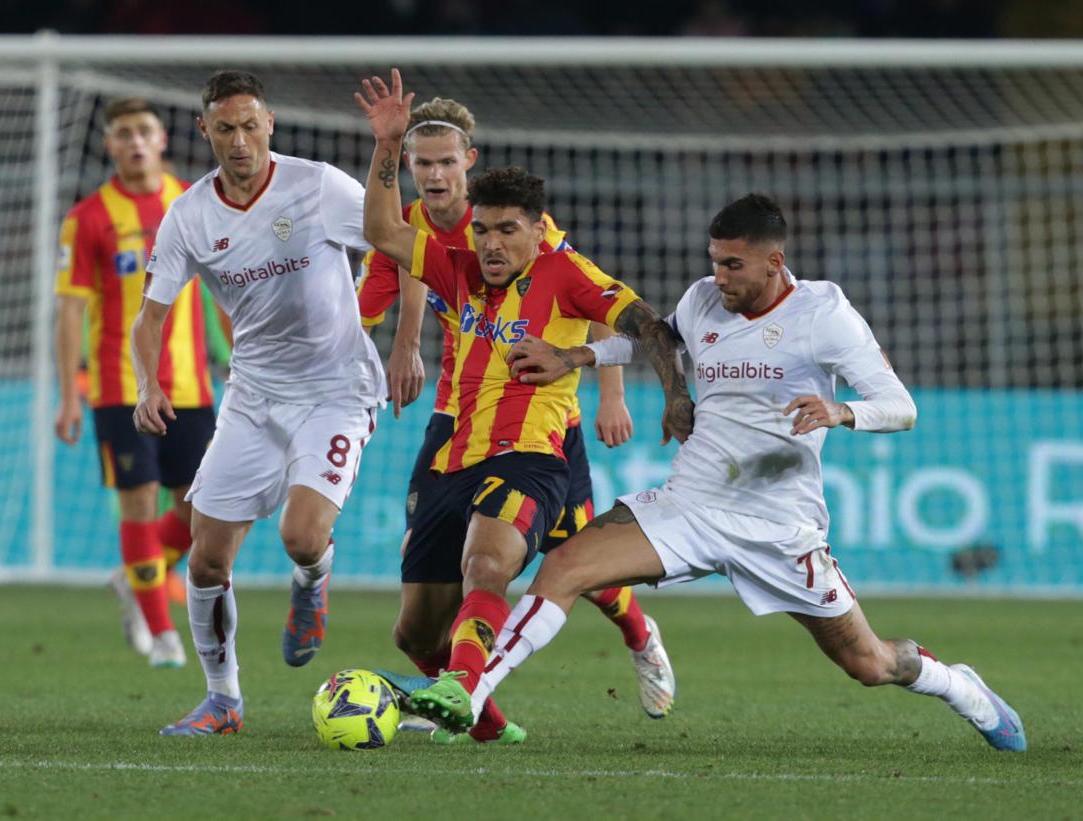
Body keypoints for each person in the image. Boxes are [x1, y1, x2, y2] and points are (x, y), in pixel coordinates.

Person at [425, 193, 1028, 753]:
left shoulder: (825, 314)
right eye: (715, 262)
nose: (720, 277)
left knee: (868, 663)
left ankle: (958, 685)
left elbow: (902, 407)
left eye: (734, 265)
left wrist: (841, 410)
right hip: (690, 502)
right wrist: (577, 355)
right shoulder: (703, 299)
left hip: (778, 523)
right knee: (563, 567)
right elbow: (653, 340)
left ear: (775, 261)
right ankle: (468, 695)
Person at [355, 70, 691, 743]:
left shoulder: (559, 263)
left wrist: (653, 392)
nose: (491, 243)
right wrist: (385, 146)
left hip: (538, 442)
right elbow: (381, 232)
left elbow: (643, 323)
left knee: (516, 565)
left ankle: (614, 639)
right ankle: (484, 722)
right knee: (415, 629)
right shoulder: (453, 255)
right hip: (451, 440)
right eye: (483, 231)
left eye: (506, 231)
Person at [134, 70, 386, 736]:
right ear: (205, 132)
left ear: (269, 123)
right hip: (252, 397)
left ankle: (313, 579)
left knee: (301, 536)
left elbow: (397, 243)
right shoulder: (189, 214)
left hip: (336, 390)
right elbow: (150, 315)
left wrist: (409, 340)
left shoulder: (319, 186)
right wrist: (147, 381)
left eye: (250, 126)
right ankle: (223, 700)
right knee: (206, 556)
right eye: (225, 129)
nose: (239, 141)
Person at [55, 97, 214, 669]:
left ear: (163, 139)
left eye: (145, 131)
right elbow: (70, 309)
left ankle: (134, 578)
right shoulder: (88, 218)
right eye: (124, 133)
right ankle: (163, 634)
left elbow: (224, 287)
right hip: (120, 386)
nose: (136, 142)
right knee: (140, 503)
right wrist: (68, 392)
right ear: (110, 144)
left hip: (192, 387)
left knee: (203, 514)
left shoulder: (195, 204)